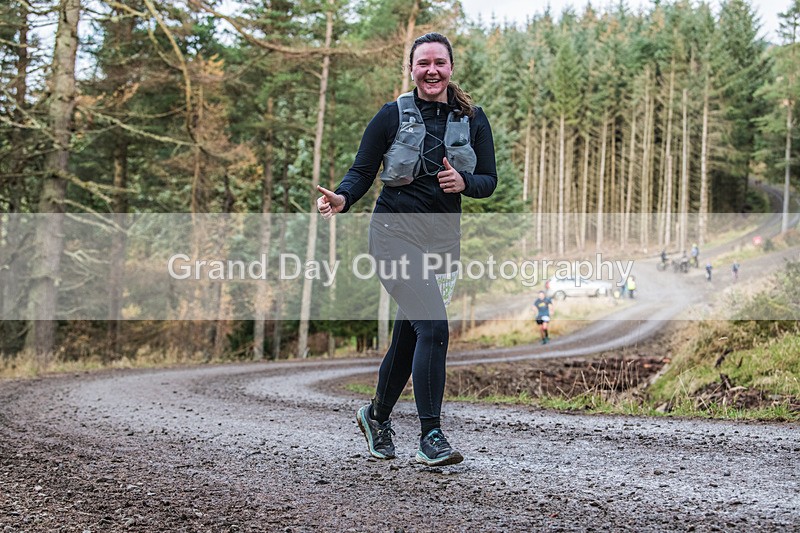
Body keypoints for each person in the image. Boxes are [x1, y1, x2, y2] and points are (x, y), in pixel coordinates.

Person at [316, 33, 497, 467]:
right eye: (423, 63)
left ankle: (376, 416)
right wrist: (342, 198)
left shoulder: (474, 118)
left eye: (439, 62)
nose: (431, 70)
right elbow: (362, 170)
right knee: (434, 327)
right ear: (411, 69)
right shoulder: (391, 115)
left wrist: (465, 184)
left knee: (413, 332)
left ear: (451, 68)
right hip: (393, 234)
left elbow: (489, 180)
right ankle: (431, 435)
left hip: (442, 243)